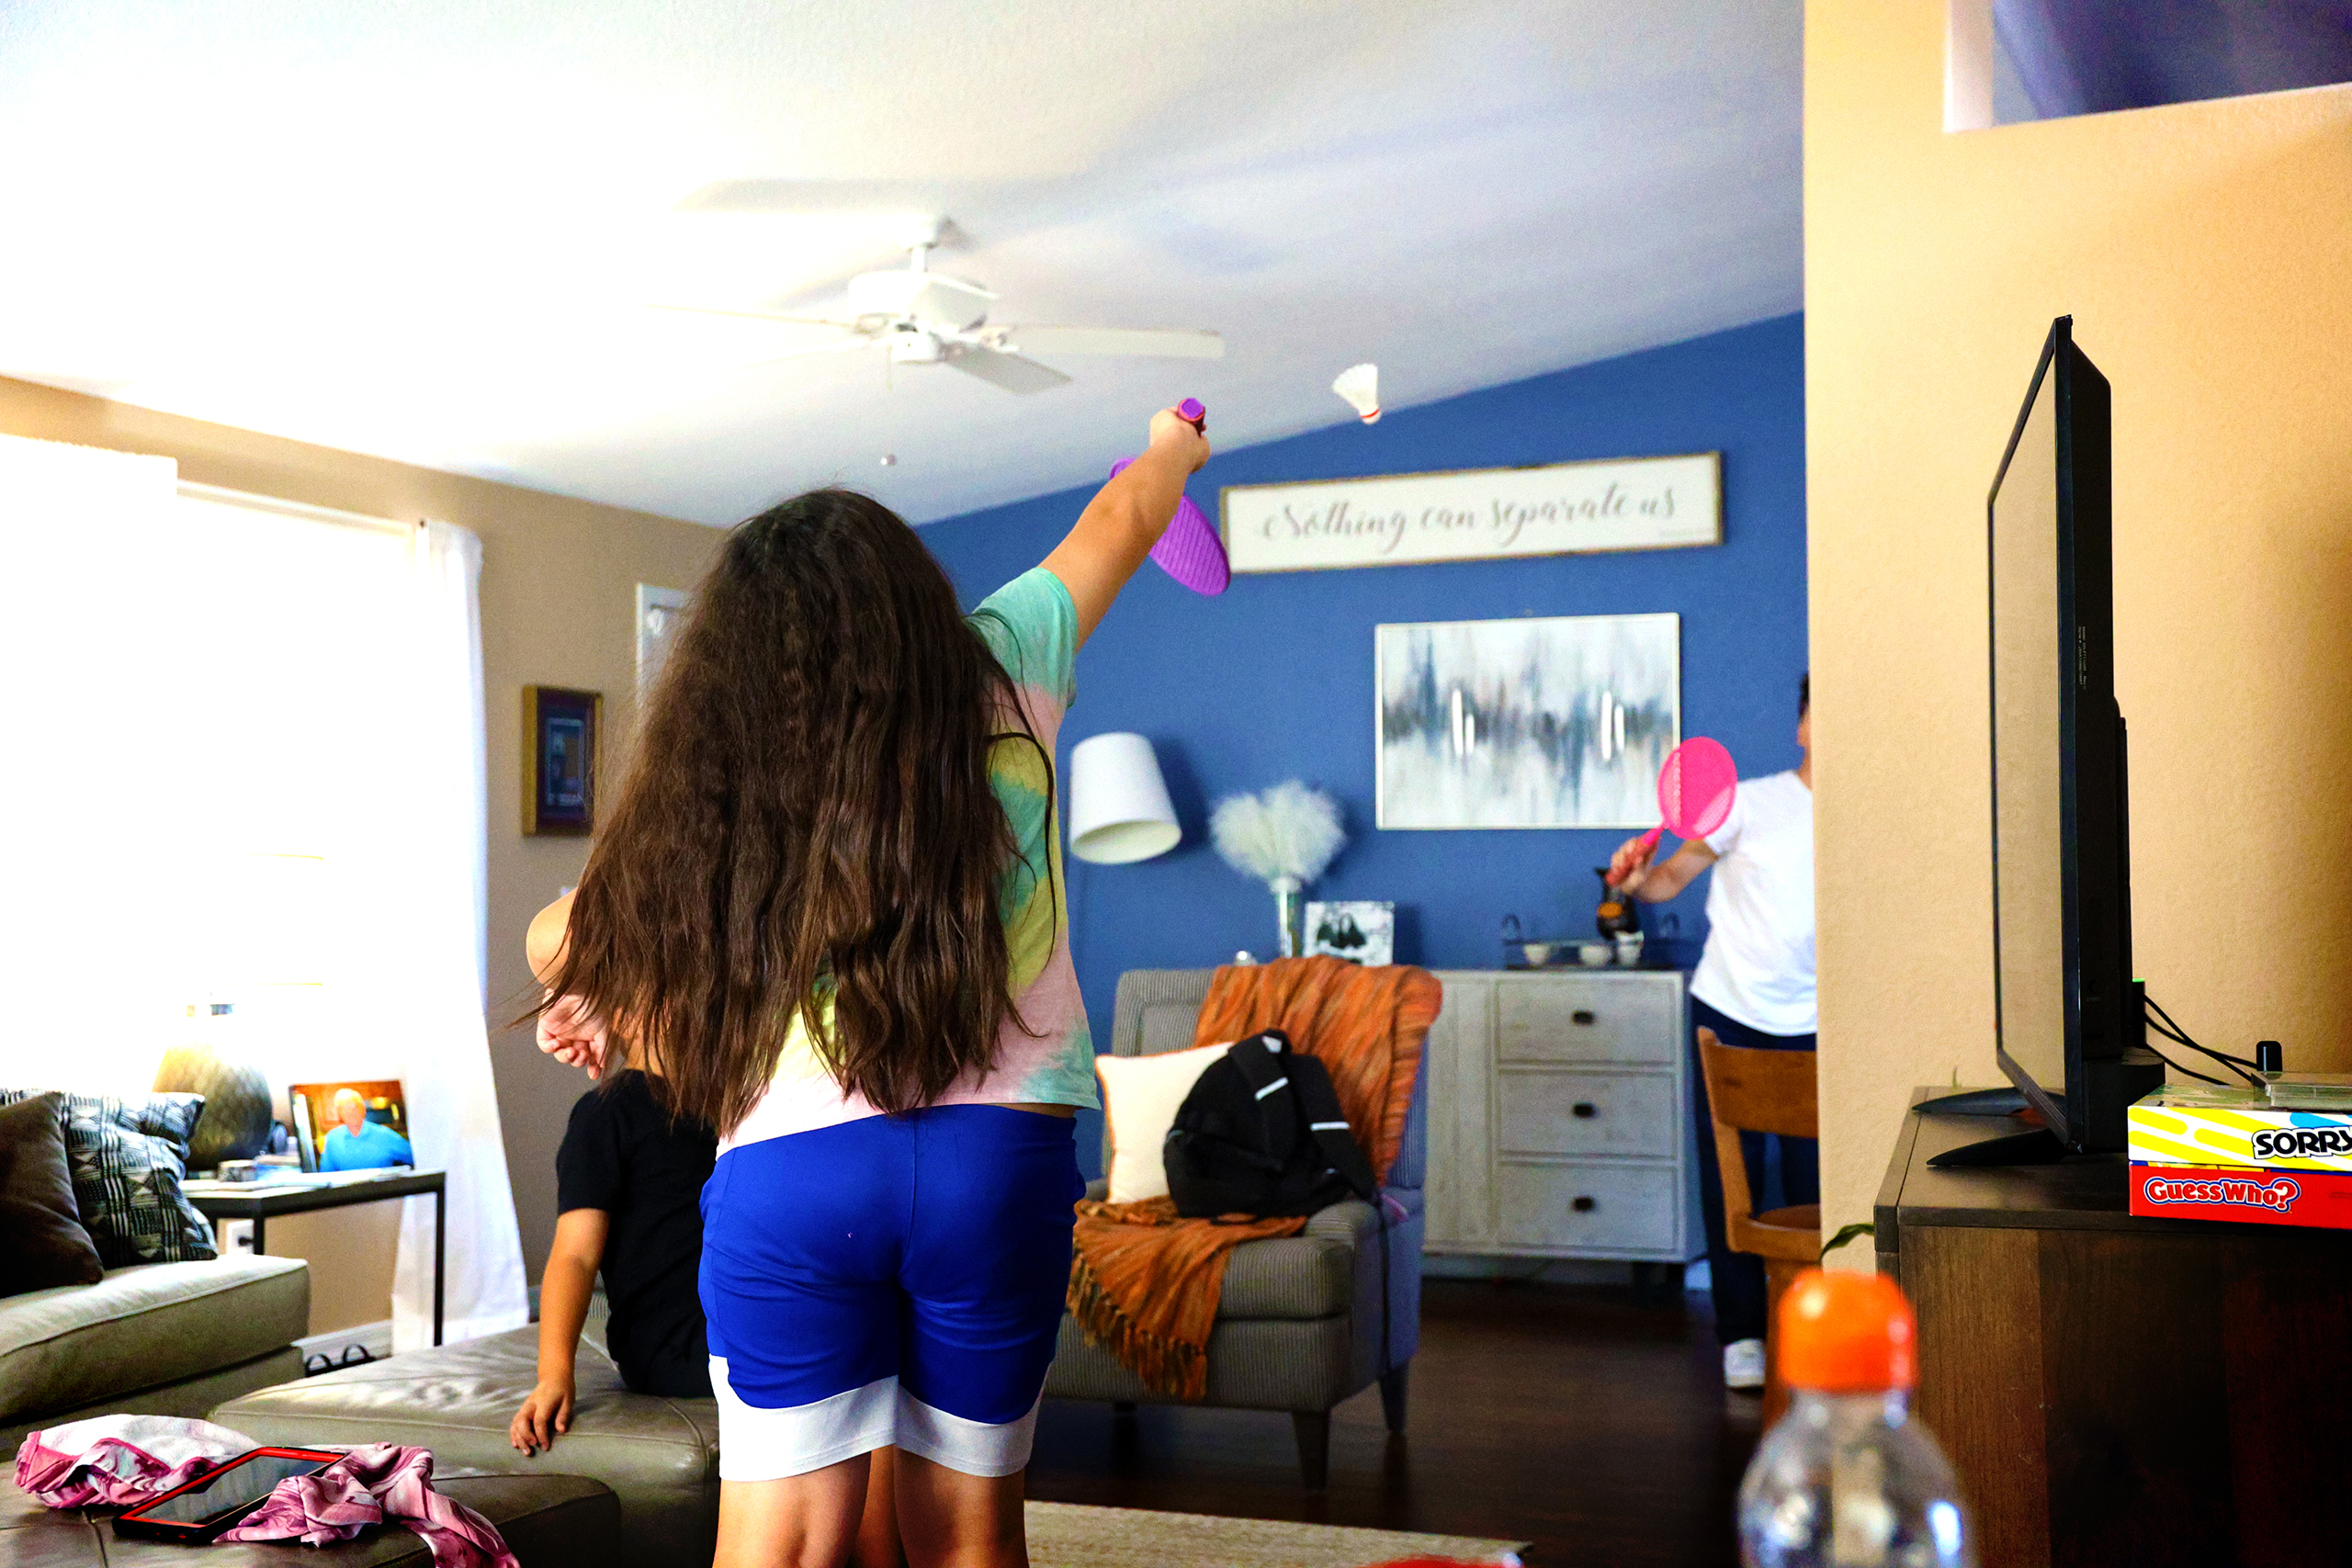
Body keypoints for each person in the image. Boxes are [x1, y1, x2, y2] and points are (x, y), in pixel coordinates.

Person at [530, 406, 1210, 1568]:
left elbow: (559, 939)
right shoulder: (1006, 658)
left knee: (783, 1551)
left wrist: (607, 996)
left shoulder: (722, 760)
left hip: (794, 1170)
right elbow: (1125, 511)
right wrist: (1172, 446)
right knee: (969, 1542)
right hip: (997, 1163)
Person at [1609, 674, 1814, 1392]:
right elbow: (1670, 877)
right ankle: (1742, 1333)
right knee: (1734, 1179)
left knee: (1816, 1183)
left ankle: (1807, 1325)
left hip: (1819, 1022)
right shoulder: (1746, 803)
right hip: (1729, 1012)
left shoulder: (1869, 814)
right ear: (1803, 727)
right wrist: (1636, 880)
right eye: (1823, 713)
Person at [509, 1068, 718, 1457]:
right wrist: (554, 1374)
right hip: (671, 1345)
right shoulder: (605, 1113)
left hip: (731, 1316)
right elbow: (575, 1255)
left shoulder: (731, 1099)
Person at [318, 1088, 413, 1171]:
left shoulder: (386, 1135)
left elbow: (416, 1158)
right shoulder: (332, 1139)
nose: (350, 1112)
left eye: (354, 1107)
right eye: (344, 1108)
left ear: (363, 1109)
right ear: (339, 1113)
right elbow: (326, 1175)